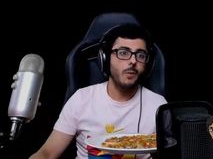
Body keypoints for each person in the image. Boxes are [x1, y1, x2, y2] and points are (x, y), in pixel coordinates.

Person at [29, 22, 167, 159]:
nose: (132, 61)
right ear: (105, 59)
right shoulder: (81, 99)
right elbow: (47, 153)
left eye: (141, 55)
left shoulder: (158, 105)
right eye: (123, 53)